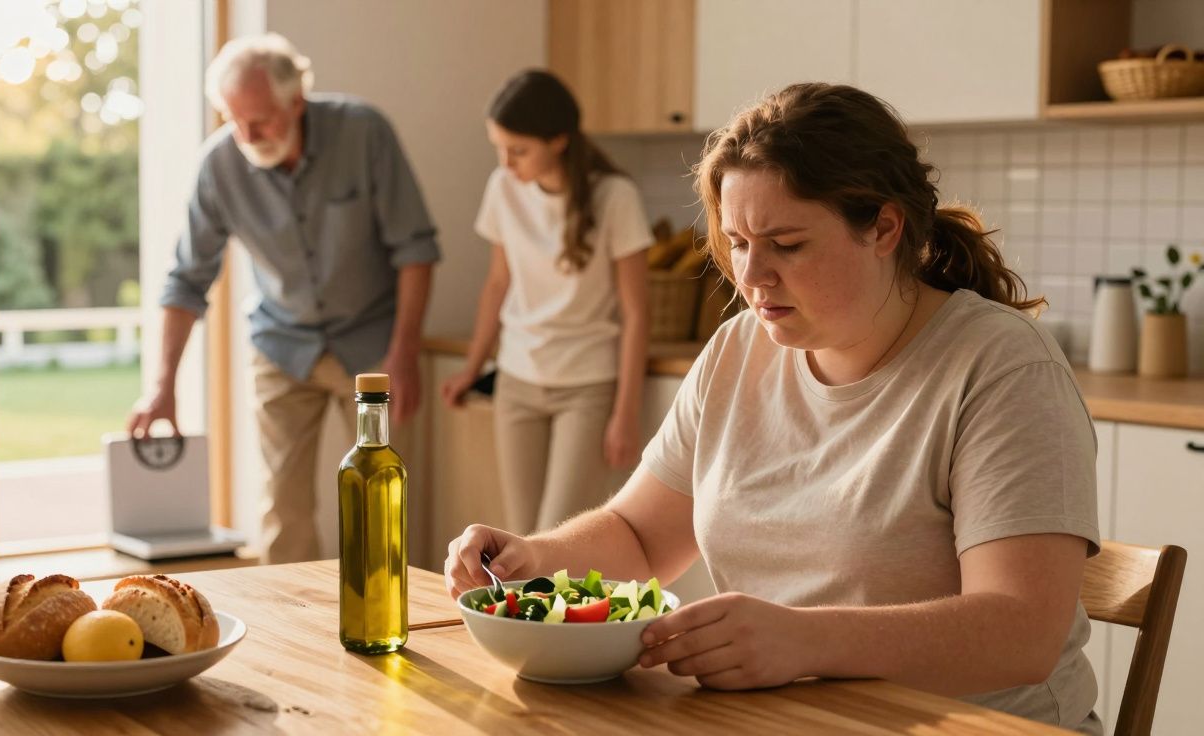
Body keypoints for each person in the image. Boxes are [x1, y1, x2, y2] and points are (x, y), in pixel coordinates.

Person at [445, 82, 1102, 734]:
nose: (752, 276)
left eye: (786, 244)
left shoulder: (1002, 366)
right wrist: (531, 559)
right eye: (736, 241)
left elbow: (1022, 631)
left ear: (883, 227)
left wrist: (806, 641)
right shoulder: (737, 350)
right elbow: (640, 536)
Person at [127, 34, 440, 565]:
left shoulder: (364, 133)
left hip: (372, 349)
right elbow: (185, 281)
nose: (247, 135)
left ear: (297, 100)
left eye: (262, 119)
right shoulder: (220, 165)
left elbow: (416, 250)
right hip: (281, 345)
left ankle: (386, 626)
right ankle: (297, 635)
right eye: (233, 119)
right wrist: (162, 386)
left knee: (381, 506)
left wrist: (404, 355)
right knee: (283, 510)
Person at [440, 69, 651, 535]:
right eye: (500, 148)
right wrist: (472, 369)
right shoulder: (503, 188)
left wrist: (625, 414)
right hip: (517, 380)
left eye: (518, 150)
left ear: (558, 140)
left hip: (587, 385)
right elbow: (497, 284)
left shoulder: (615, 197)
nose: (507, 162)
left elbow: (637, 312)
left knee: (558, 541)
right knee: (519, 539)